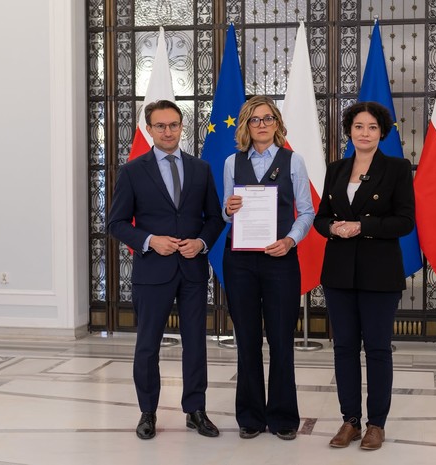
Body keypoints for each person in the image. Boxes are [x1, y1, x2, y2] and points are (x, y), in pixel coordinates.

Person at [107, 99, 225, 440]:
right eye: (160, 126)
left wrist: (201, 243)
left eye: (174, 125)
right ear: (149, 129)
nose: (168, 131)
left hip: (192, 270)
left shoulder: (200, 169)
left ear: (181, 127)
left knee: (196, 344)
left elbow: (215, 218)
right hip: (152, 271)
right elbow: (116, 223)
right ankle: (147, 412)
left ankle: (196, 410)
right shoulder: (132, 171)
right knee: (147, 346)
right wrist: (149, 240)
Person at [313, 101, 416, 450]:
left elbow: (405, 221)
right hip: (339, 272)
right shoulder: (336, 169)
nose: (365, 133)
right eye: (359, 126)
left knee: (377, 349)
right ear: (349, 131)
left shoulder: (397, 168)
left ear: (382, 132)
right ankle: (350, 421)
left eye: (372, 127)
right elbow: (321, 217)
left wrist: (362, 226)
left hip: (379, 273)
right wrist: (332, 228)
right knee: (343, 348)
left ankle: (376, 424)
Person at [222, 95, 314, 441]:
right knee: (246, 339)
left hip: (281, 260)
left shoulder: (294, 161)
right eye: (254, 119)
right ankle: (250, 416)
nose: (262, 125)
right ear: (246, 125)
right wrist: (228, 209)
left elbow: (307, 211)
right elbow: (225, 213)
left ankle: (283, 416)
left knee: (280, 339)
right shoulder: (232, 162)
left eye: (268, 118)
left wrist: (290, 240)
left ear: (277, 123)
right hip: (240, 262)